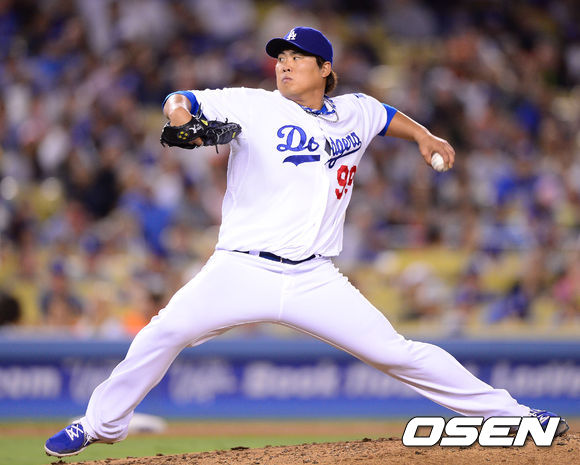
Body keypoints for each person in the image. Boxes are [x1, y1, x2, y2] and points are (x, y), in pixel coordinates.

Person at [45, 27, 569, 457]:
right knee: (164, 332)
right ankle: (99, 424)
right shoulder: (253, 105)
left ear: (325, 69)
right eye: (281, 57)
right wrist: (182, 116)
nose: (285, 65)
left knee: (398, 353)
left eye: (298, 57)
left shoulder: (355, 111)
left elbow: (387, 117)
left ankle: (514, 416)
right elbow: (178, 100)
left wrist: (424, 135)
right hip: (241, 268)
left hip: (314, 276)